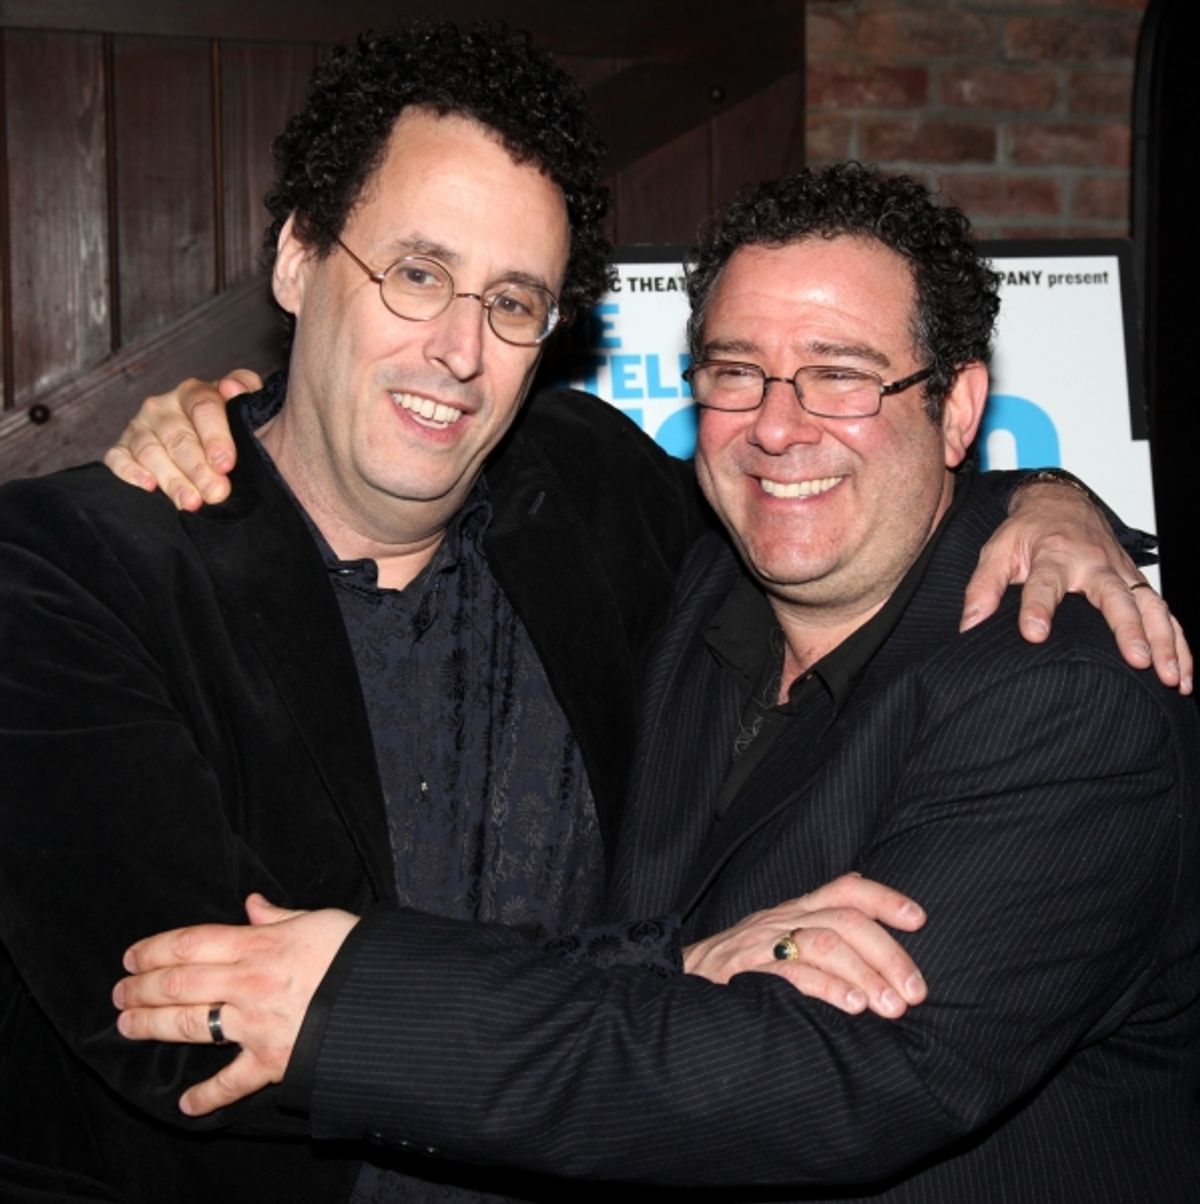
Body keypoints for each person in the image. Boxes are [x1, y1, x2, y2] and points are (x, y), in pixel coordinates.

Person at [114, 165, 1200, 1202]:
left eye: (841, 374)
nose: (778, 427)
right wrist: (246, 423)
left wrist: (352, 1003)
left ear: (959, 408)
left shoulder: (1068, 698)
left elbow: (831, 1079)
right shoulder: (692, 593)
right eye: (736, 372)